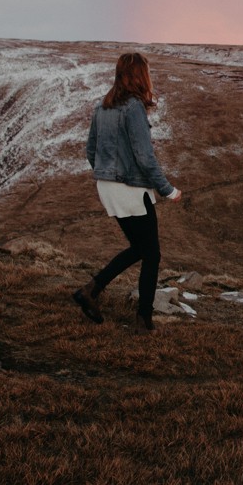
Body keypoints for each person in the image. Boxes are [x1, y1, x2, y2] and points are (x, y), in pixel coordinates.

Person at [74, 52, 183, 333]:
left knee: (141, 248)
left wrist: (107, 176)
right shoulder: (133, 107)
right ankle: (143, 321)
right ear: (140, 76)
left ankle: (91, 290)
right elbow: (144, 158)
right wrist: (168, 190)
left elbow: (90, 151)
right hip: (130, 188)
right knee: (152, 254)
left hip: (108, 187)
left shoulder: (103, 106)